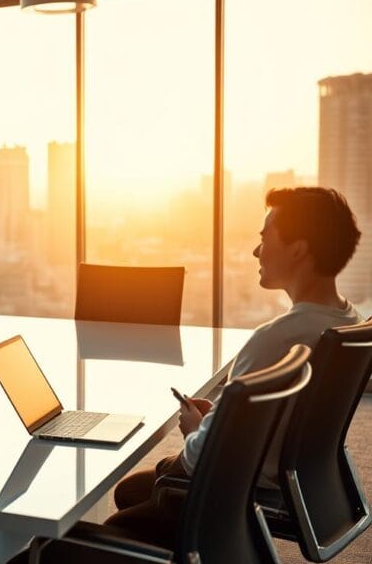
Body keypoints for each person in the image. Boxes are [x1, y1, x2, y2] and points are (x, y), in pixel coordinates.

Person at [104, 186, 363, 548]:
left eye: (264, 238)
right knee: (131, 489)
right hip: (288, 475)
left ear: (298, 249)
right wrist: (227, 414)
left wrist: (194, 429)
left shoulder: (276, 339)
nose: (256, 250)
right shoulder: (350, 322)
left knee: (96, 533)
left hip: (234, 486)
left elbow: (199, 459)